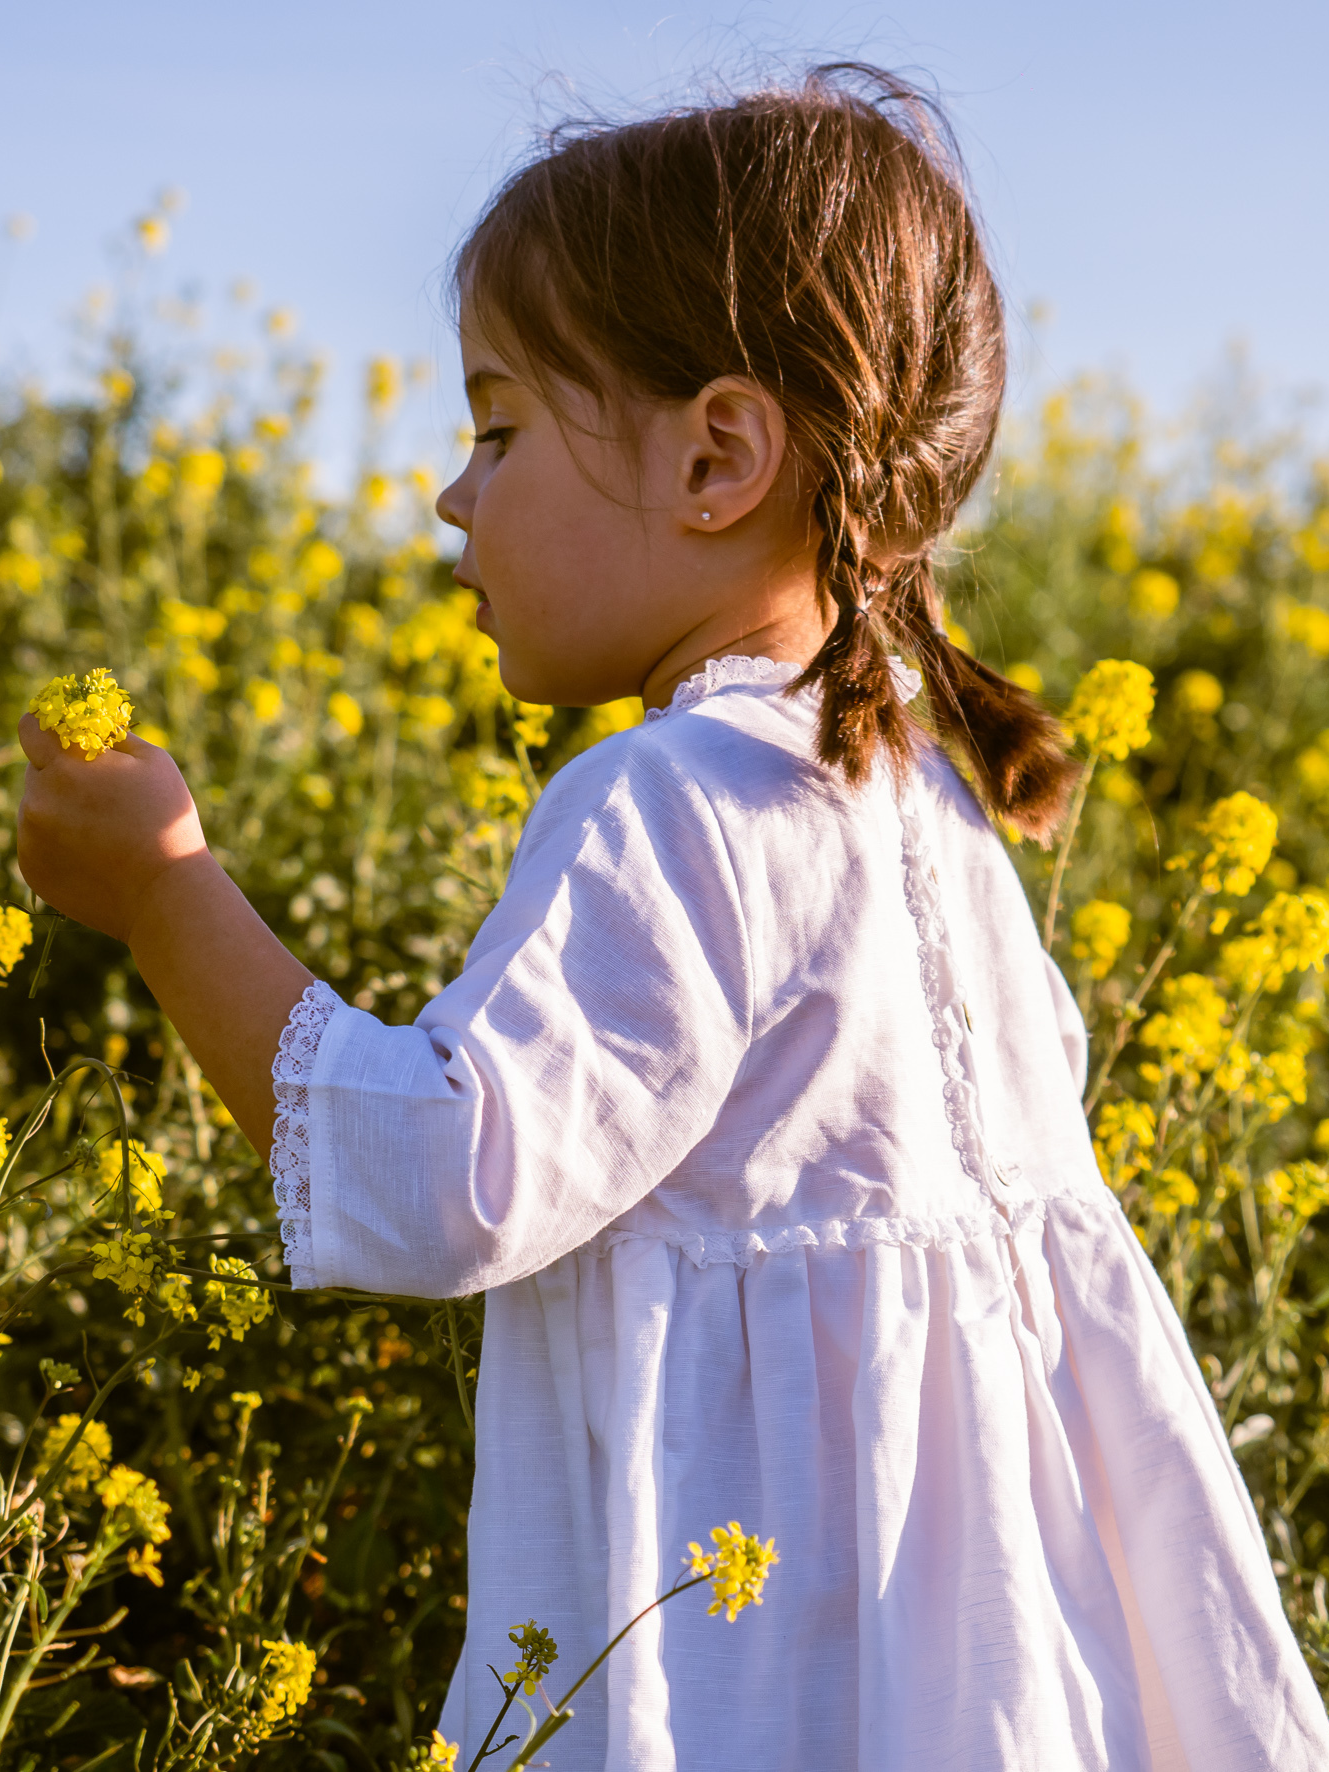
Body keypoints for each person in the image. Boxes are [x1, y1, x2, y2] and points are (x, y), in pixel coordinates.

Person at [17, 65, 1329, 1772]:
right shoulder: (923, 800)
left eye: (495, 428)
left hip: (751, 1689)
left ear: (719, 455)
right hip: (984, 1686)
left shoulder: (667, 796)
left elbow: (443, 1180)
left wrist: (167, 892)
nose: (450, 497)